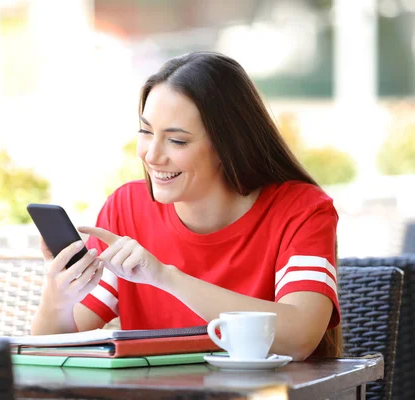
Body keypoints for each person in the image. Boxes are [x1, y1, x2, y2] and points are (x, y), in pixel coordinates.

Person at [31, 51, 342, 361]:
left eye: (176, 141)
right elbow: (52, 351)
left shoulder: (301, 210)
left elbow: (301, 337)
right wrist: (58, 297)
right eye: (146, 132)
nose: (152, 155)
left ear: (228, 144)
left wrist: (164, 277)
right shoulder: (127, 209)